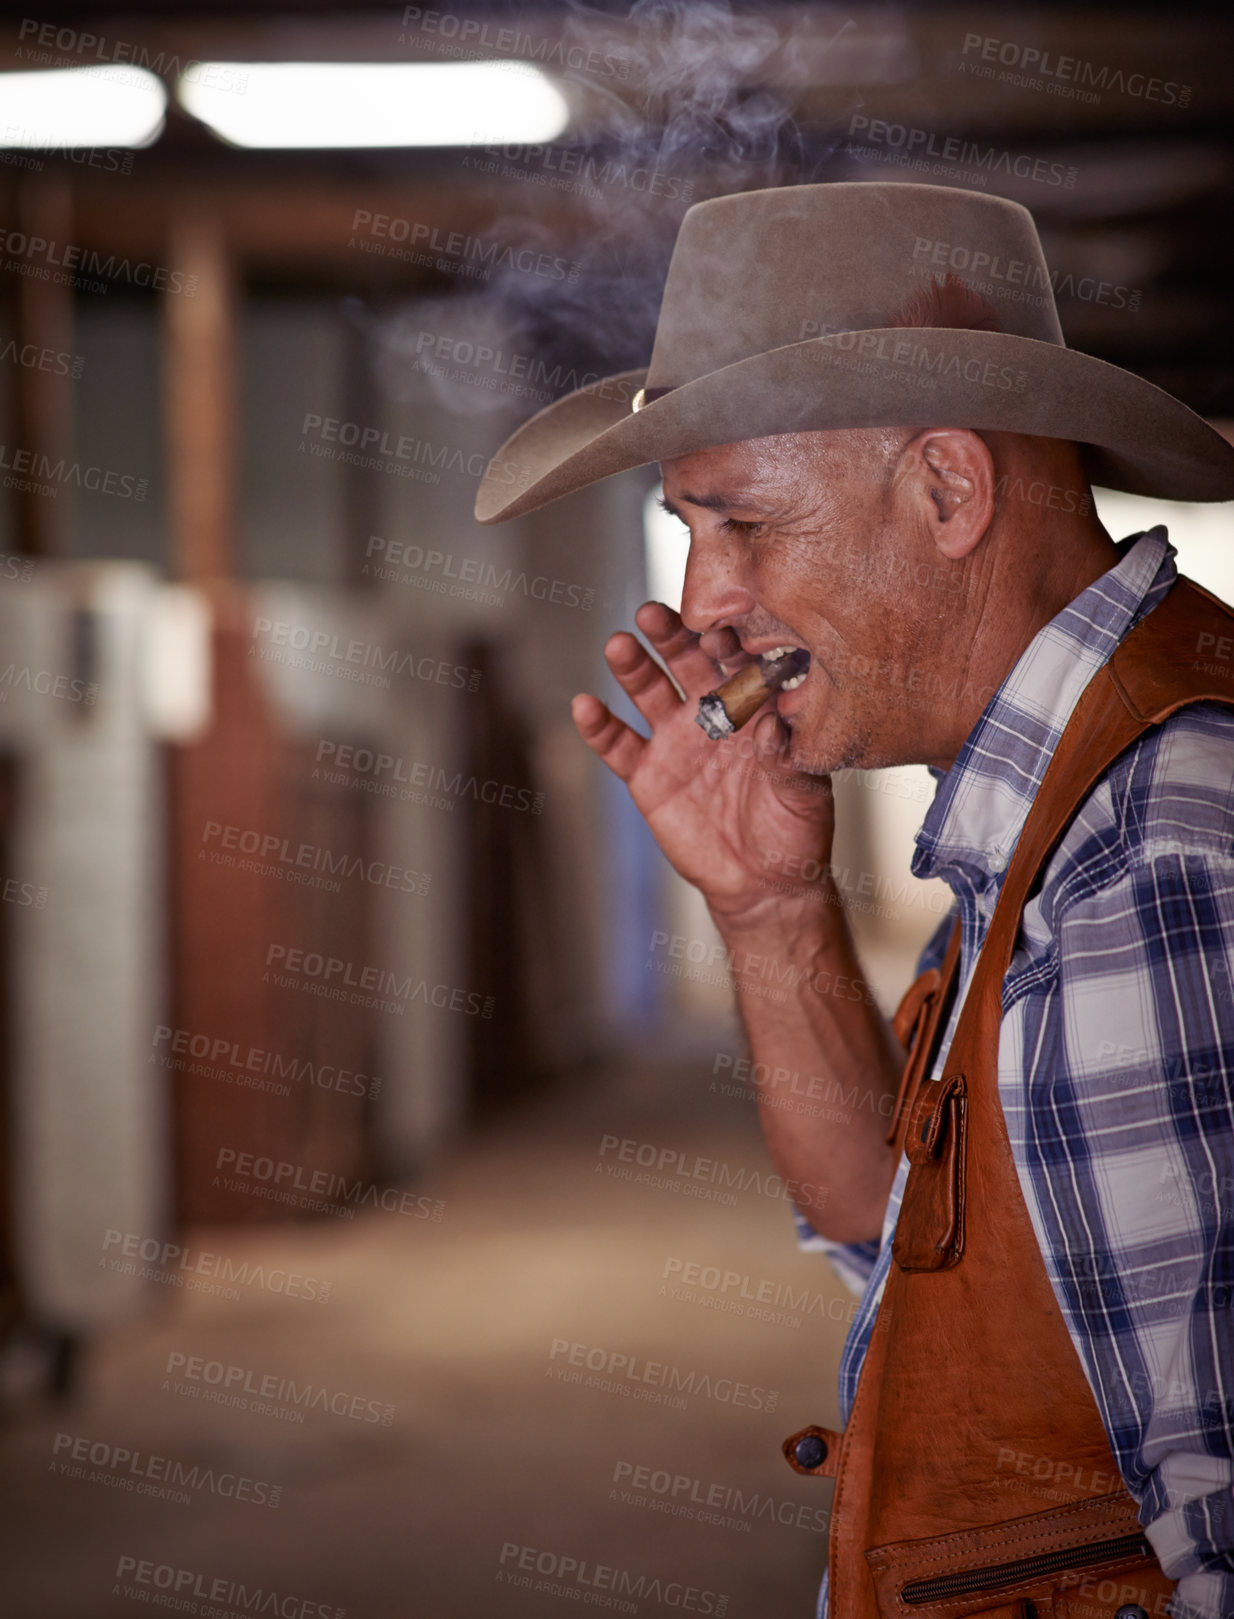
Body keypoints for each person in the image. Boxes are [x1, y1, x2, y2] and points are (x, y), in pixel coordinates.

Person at [475, 183, 1234, 1619]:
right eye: (686, 530)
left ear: (948, 489)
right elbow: (920, 1254)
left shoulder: (1146, 852)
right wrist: (771, 913)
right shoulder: (1058, 793)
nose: (702, 598)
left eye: (743, 524)